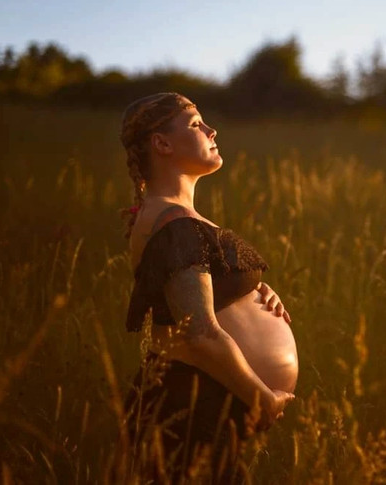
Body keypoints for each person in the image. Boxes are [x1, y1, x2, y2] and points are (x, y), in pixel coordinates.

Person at [117, 92, 297, 484]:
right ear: (162, 144)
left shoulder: (174, 216)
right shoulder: (172, 221)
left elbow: (207, 295)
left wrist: (256, 293)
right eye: (197, 123)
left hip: (204, 405)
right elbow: (198, 333)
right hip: (190, 409)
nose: (212, 130)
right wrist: (262, 400)